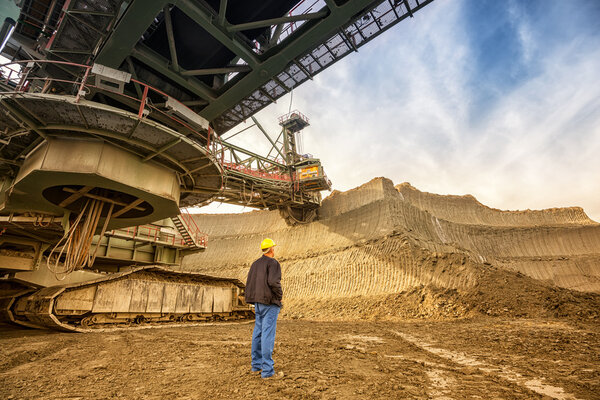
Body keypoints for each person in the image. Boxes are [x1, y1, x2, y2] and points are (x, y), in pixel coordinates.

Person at [244, 238, 283, 379]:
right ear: (271, 249)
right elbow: (274, 282)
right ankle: (267, 371)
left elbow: (250, 283)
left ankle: (256, 366)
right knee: (268, 334)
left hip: (258, 303)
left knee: (258, 333)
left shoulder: (255, 264)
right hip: (269, 303)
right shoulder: (273, 263)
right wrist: (280, 296)